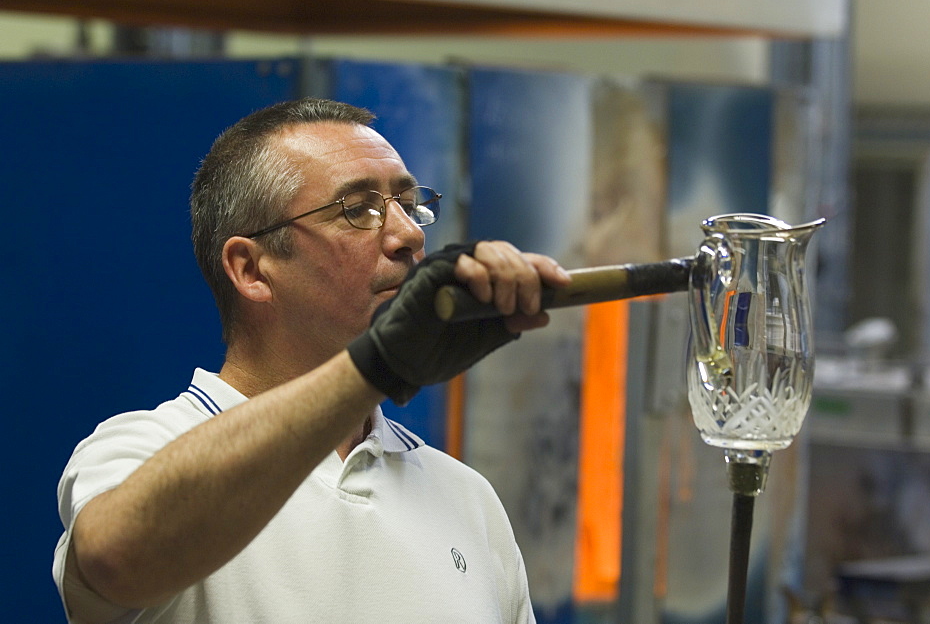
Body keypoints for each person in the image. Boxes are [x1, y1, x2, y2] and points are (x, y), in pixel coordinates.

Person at [52, 97, 571, 623]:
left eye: (408, 204)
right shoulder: (139, 447)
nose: (411, 235)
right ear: (252, 269)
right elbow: (116, 560)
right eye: (358, 208)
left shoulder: (466, 498)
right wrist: (375, 366)